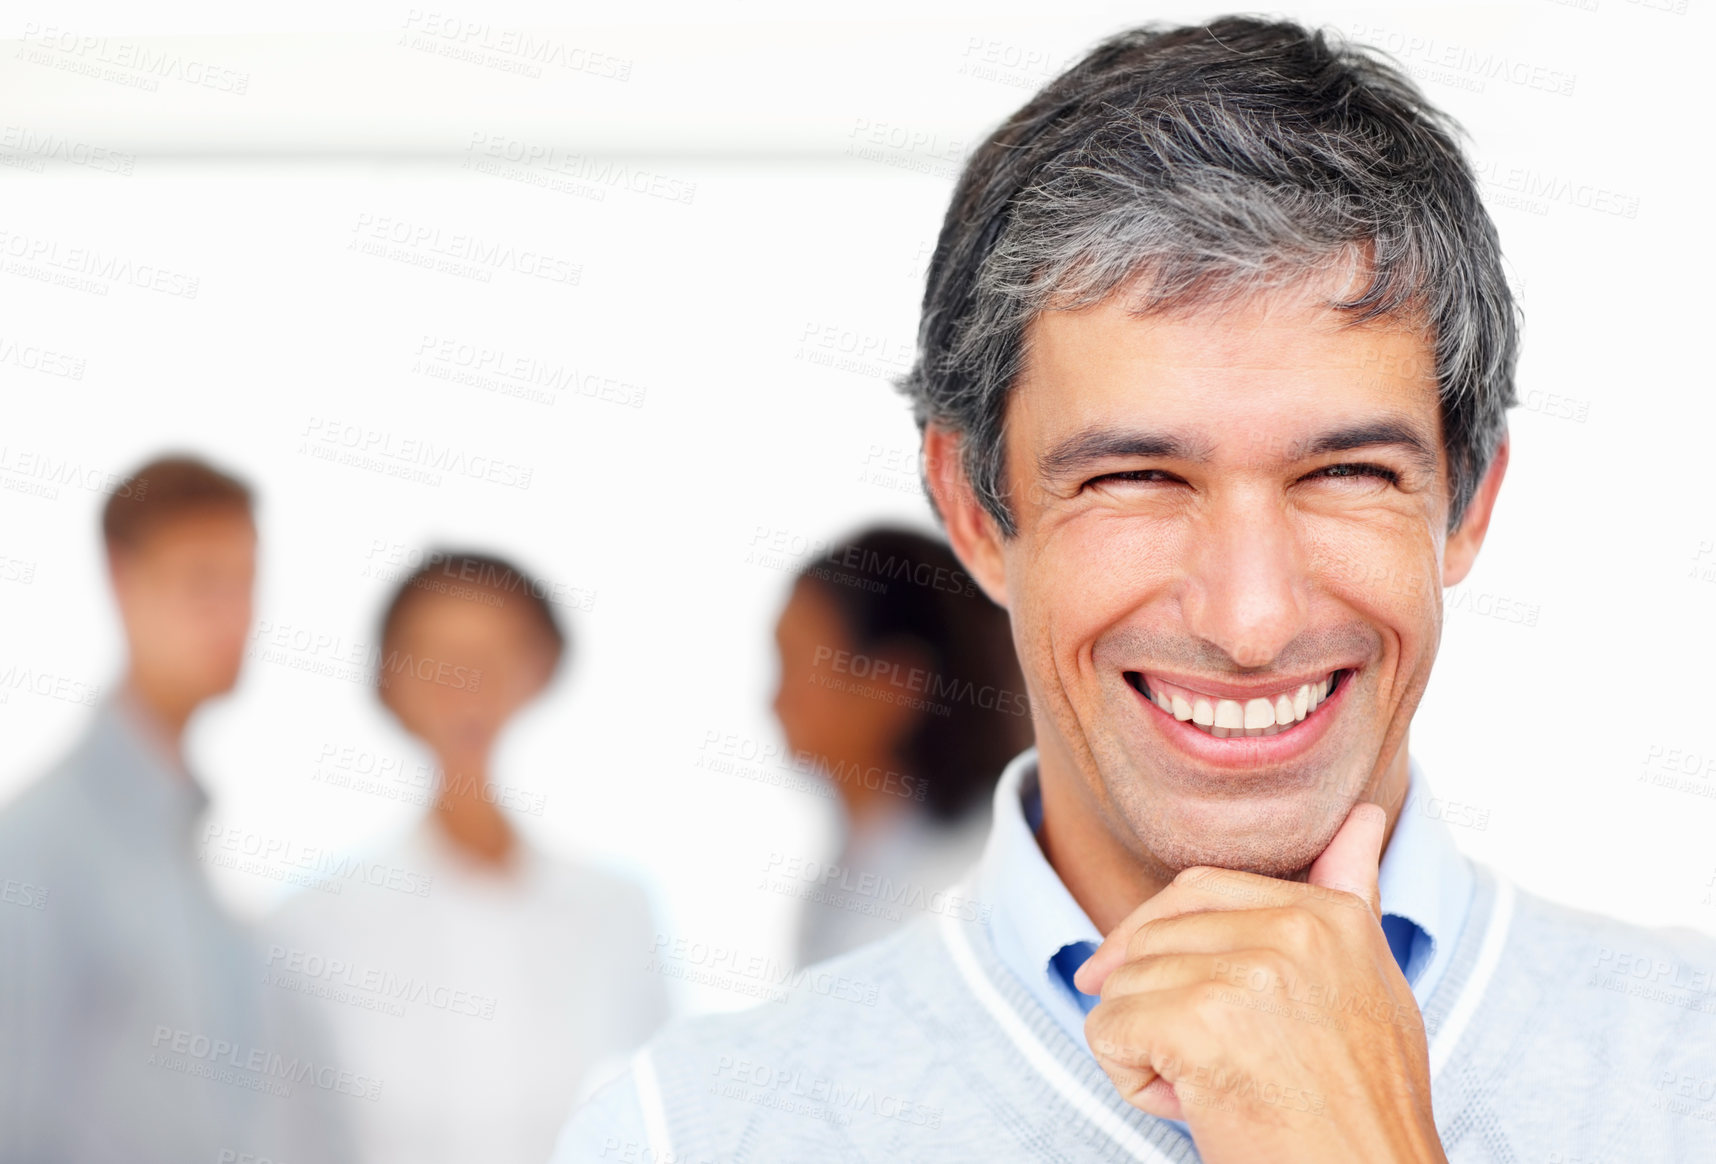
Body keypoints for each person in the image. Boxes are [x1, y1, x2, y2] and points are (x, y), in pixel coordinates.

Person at [552, 18, 1716, 1163]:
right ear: (973, 510)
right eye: (1134, 477)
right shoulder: (686, 1134)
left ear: (1465, 503)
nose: (1251, 621)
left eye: (1347, 471)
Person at [0, 455, 355, 1163]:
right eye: (202, 583)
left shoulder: (192, 864)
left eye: (246, 582)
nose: (234, 616)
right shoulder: (37, 849)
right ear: (120, 580)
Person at [270, 551, 669, 1164]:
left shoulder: (616, 912)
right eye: (437, 662)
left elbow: (659, 1125)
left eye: (489, 659)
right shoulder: (311, 924)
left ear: (539, 669)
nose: (463, 687)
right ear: (390, 680)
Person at [773, 526, 1031, 963]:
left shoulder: (977, 885)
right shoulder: (834, 885)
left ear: (893, 684)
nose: (777, 701)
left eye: (795, 664)